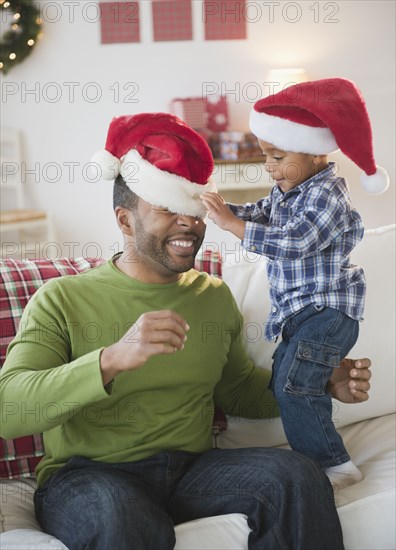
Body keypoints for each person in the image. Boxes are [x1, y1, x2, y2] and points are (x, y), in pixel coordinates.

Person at [0, 113, 372, 550]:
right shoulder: (61, 298)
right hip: (90, 474)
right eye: (167, 209)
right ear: (125, 221)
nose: (189, 224)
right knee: (122, 516)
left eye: (193, 211)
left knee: (295, 475)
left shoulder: (211, 296)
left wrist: (318, 381)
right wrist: (110, 359)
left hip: (193, 470)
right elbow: (10, 411)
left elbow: (237, 393)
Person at [201, 78, 388, 491]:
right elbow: (258, 213)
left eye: (278, 155)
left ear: (316, 152)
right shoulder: (287, 188)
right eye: (266, 155)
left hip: (328, 311)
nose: (269, 166)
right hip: (301, 315)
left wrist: (234, 227)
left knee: (294, 386)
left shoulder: (328, 196)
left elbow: (297, 242)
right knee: (285, 385)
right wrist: (221, 209)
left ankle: (333, 464)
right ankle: (324, 417)